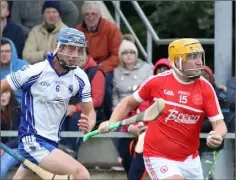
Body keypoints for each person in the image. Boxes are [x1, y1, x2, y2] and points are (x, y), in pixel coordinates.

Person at [98, 38, 227, 180]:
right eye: (192, 57)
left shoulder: (206, 88)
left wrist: (217, 135)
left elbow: (220, 124)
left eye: (199, 56)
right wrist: (111, 121)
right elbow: (128, 103)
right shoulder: (157, 82)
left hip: (190, 158)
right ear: (177, 61)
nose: (198, 62)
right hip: (158, 155)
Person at [1, 27, 96, 180]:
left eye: (79, 51)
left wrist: (89, 123)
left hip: (52, 143)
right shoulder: (35, 71)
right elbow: (2, 86)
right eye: (71, 49)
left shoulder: (80, 78)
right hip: (31, 141)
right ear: (59, 47)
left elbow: (90, 111)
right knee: (81, 174)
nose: (75, 55)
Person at [76, 1, 123, 119]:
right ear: (83, 16)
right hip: (82, 66)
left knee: (106, 87)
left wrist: (100, 68)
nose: (90, 17)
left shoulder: (111, 28)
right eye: (87, 14)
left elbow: (117, 55)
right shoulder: (77, 31)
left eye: (94, 14)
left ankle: (107, 118)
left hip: (105, 67)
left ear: (99, 15)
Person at [1, 38, 30, 104]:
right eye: (1, 51)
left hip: (21, 106)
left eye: (7, 51)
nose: (4, 54)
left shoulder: (23, 66)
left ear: (13, 52)